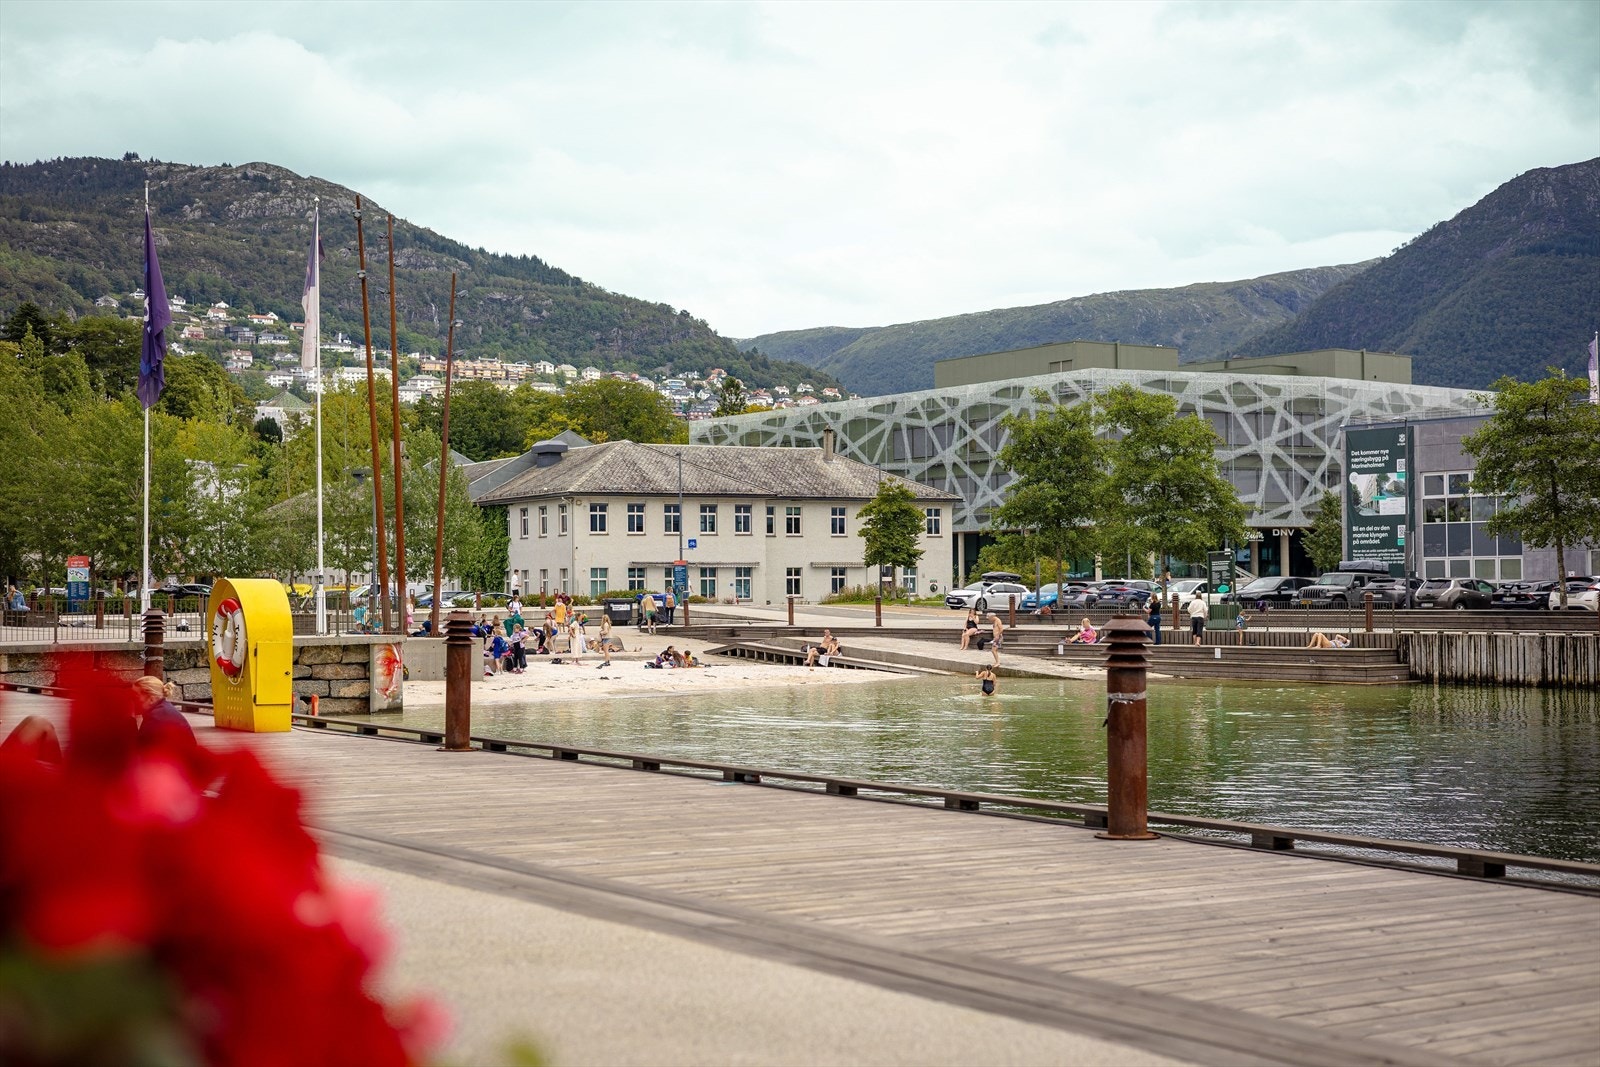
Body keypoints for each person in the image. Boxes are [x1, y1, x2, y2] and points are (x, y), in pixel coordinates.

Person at [130, 675, 197, 748]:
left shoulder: (156, 718)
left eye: (135, 696)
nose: (132, 700)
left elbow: (140, 748)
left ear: (151, 699)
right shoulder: (163, 709)